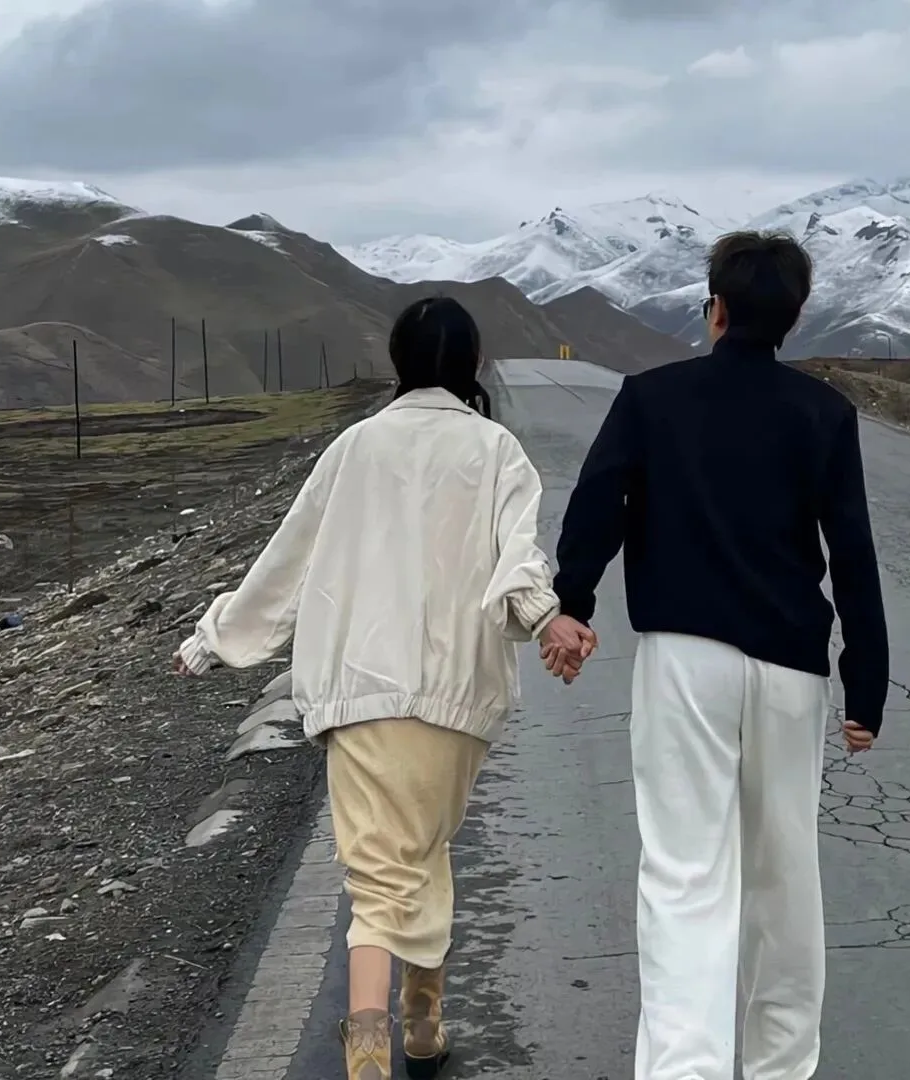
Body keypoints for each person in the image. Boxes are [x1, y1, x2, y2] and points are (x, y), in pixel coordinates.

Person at [173, 296, 595, 1080]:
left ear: (399, 361)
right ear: (471, 363)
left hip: (359, 687)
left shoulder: (354, 447)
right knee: (420, 852)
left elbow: (288, 560)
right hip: (456, 694)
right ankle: (422, 1026)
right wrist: (546, 621)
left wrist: (214, 640)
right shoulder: (496, 450)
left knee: (378, 878)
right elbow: (519, 560)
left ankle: (368, 1056)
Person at [543, 231, 888, 1080]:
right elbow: (852, 552)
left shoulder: (651, 398)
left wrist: (573, 603)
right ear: (794, 318)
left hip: (684, 658)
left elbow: (598, 503)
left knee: (684, 873)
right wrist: (866, 685)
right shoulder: (824, 413)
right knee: (784, 874)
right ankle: (781, 1066)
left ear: (717, 310)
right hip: (791, 668)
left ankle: (684, 1068)